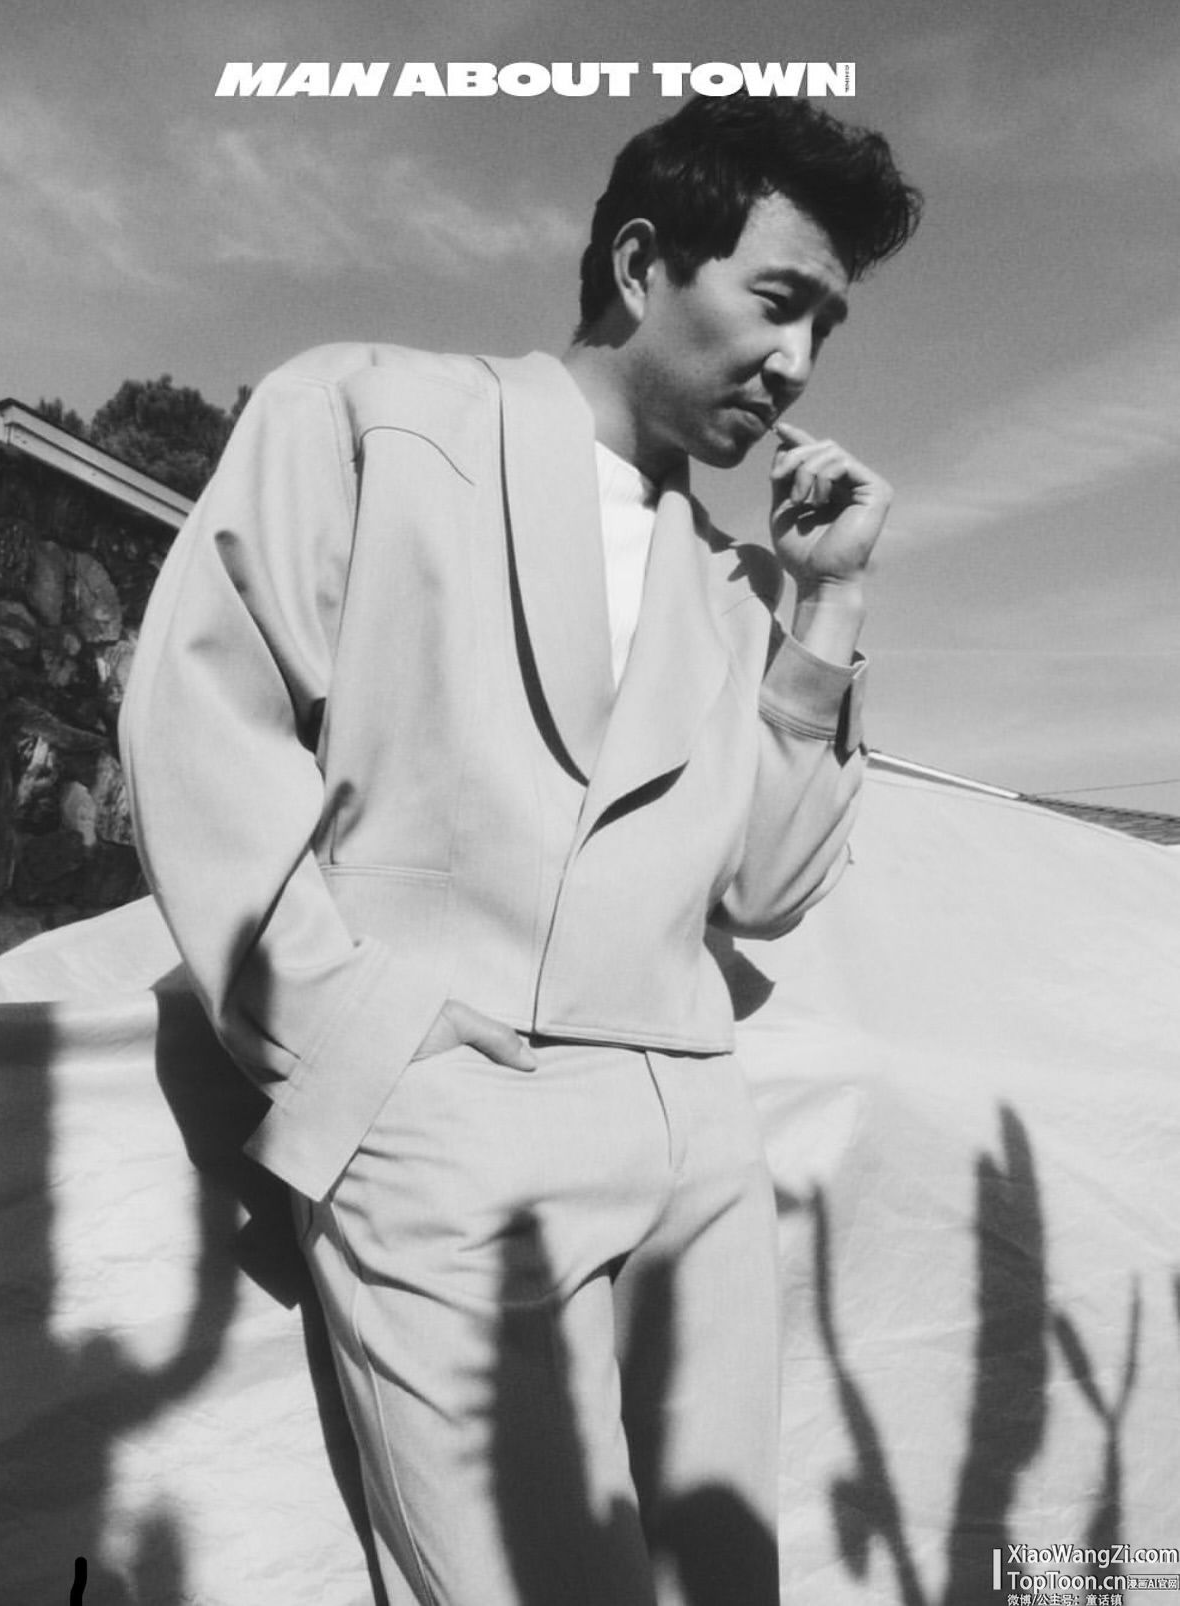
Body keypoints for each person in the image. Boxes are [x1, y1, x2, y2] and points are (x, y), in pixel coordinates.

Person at [120, 91, 920, 1606]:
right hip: (446, 1108)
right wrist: (360, 1044)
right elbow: (202, 718)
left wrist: (823, 610)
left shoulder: (733, 582)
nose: (799, 365)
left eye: (825, 325)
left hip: (697, 1131)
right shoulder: (366, 410)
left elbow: (764, 887)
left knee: (722, 1588)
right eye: (777, 300)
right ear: (639, 262)